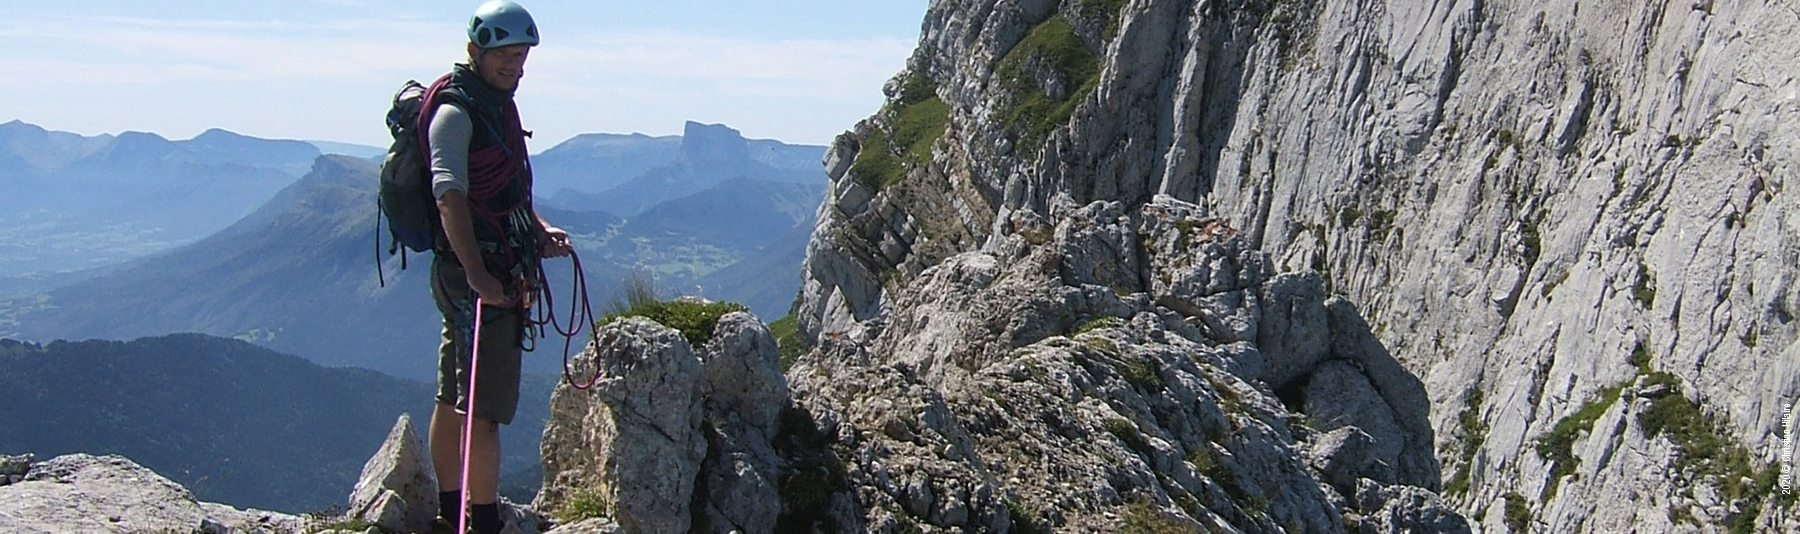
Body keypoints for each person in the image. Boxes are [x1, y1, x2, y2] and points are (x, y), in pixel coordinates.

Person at [422, 2, 572, 533]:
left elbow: (506, 188)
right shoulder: (457, 114)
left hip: (479, 270)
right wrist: (479, 275)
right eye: (505, 55)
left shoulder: (494, 105)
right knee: (483, 409)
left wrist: (537, 229)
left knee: (454, 394)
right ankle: (480, 522)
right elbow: (449, 197)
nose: (515, 65)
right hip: (480, 278)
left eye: (521, 56)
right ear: (475, 52)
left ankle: (449, 509)